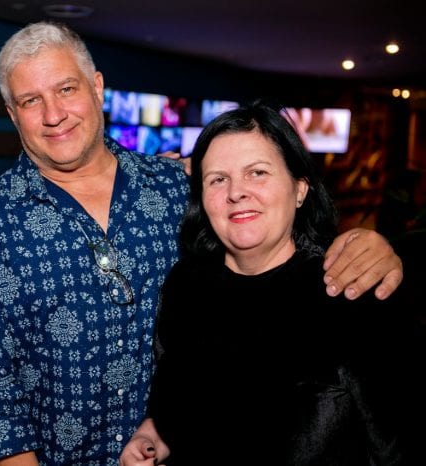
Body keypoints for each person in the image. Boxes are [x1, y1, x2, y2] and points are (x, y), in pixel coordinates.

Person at [0, 22, 404, 466]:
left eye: (67, 89)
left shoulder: (171, 187)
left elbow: (269, 234)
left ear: (96, 86)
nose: (54, 114)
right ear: (13, 114)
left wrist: (370, 245)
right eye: (31, 100)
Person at [120, 101, 423, 465]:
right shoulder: (186, 285)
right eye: (218, 178)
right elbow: (176, 398)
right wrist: (156, 434)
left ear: (300, 188)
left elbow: (397, 450)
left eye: (258, 173)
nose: (237, 192)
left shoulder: (349, 288)